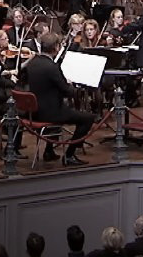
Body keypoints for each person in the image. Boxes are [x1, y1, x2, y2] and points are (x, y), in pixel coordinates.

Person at [26, 32, 94, 165]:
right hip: (50, 113)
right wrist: (72, 86)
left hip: (34, 112)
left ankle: (49, 151)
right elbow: (68, 92)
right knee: (88, 118)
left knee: (65, 108)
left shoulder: (33, 63)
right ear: (56, 47)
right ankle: (69, 155)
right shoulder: (52, 67)